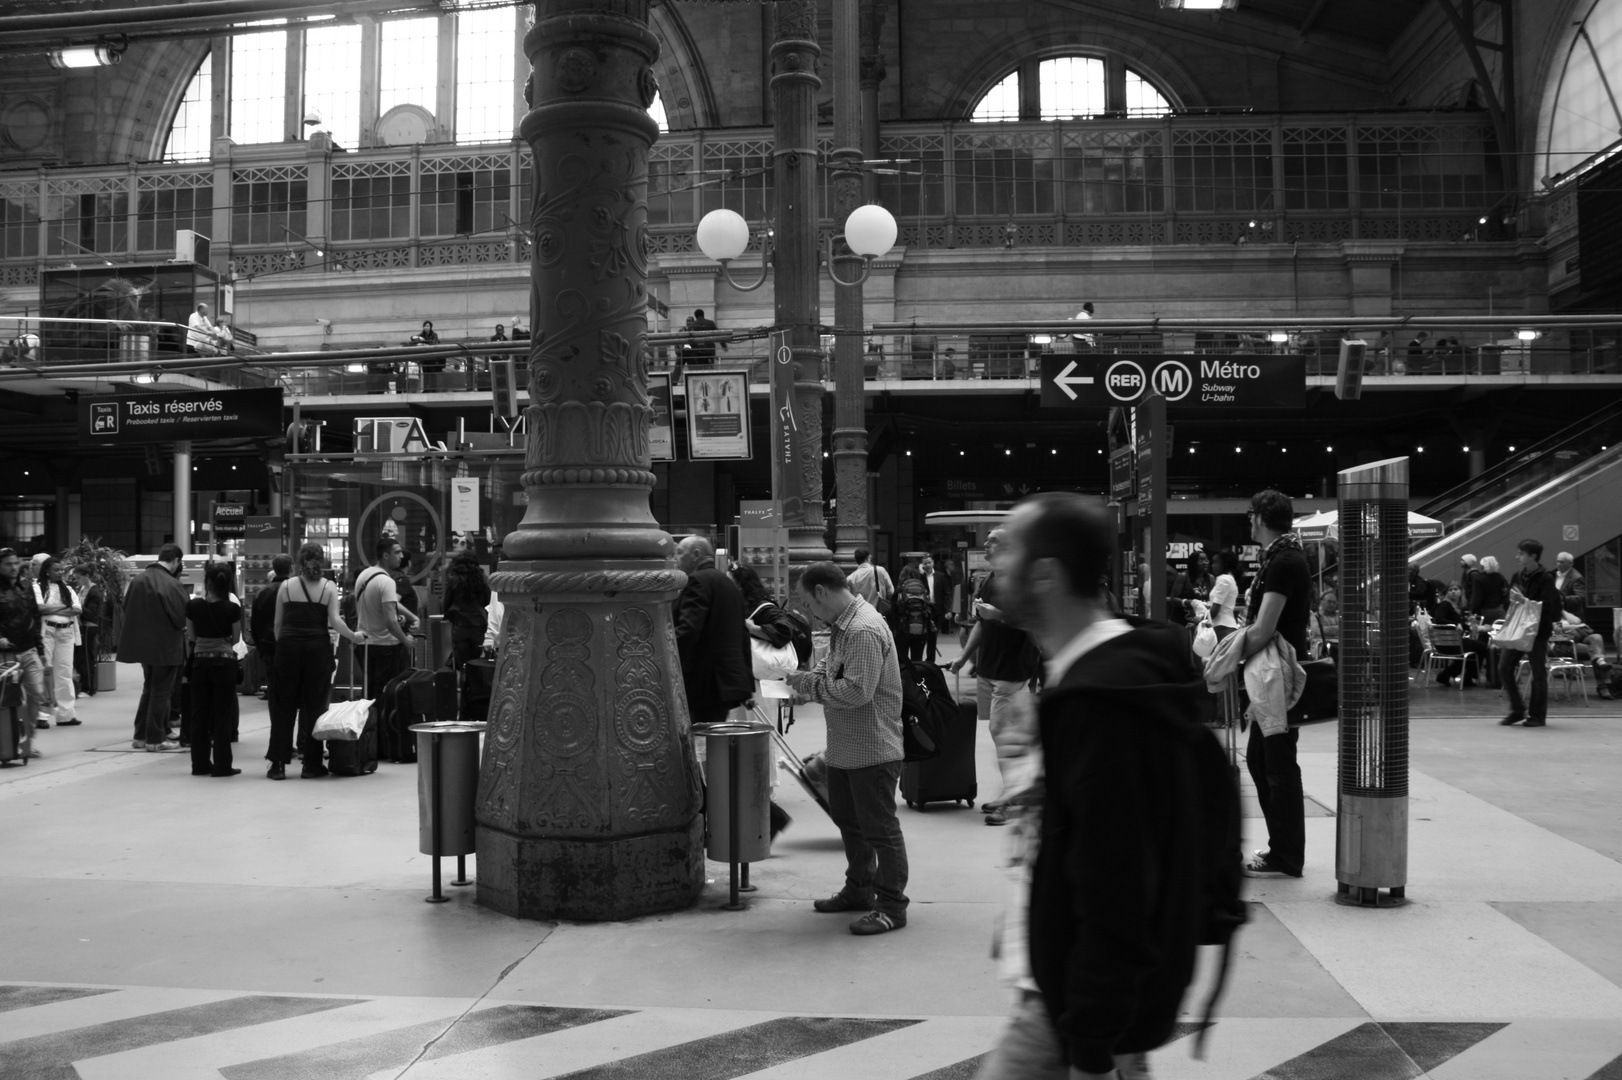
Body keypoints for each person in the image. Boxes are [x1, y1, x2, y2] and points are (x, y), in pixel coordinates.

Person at [975, 493, 1206, 1080]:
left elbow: (1119, 885)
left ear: (1046, 575)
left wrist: (1092, 1049)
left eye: (1009, 550)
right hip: (1065, 991)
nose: (994, 561)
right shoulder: (1076, 676)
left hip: (1069, 1014)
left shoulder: (1104, 699)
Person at [785, 561, 909, 936]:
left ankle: (891, 906)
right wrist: (808, 681)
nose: (809, 611)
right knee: (849, 822)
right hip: (845, 749)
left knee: (879, 829)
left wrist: (809, 688)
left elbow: (856, 691)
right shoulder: (842, 627)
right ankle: (859, 889)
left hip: (872, 751)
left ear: (822, 592)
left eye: (808, 603)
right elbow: (827, 669)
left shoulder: (863, 629)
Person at [1238, 490, 1311, 879]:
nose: (1248, 522)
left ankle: (1286, 854)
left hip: (1276, 675)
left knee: (1277, 763)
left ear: (1262, 517)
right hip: (1271, 674)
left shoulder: (1284, 561)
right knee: (1263, 759)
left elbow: (1265, 627)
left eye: (1251, 515)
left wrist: (1228, 654)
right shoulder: (1284, 557)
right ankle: (1283, 849)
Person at [949, 527, 1041, 827]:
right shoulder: (991, 578)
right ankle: (1014, 796)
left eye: (993, 541)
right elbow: (981, 623)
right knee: (1002, 735)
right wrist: (963, 658)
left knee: (1005, 736)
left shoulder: (1022, 580)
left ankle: (1013, 800)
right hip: (990, 669)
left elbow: (1034, 621)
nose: (986, 544)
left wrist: (998, 614)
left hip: (1012, 670)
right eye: (986, 540)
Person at [268, 542, 368, 780]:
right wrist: (354, 636)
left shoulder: (286, 586)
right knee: (315, 706)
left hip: (288, 648)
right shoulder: (328, 587)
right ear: (321, 561)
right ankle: (311, 765)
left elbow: (277, 625)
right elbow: (335, 621)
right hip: (317, 649)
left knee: (283, 706)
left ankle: (278, 765)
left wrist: (283, 647)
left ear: (299, 562)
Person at [730, 563, 798, 840]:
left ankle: (766, 792)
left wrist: (749, 626)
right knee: (750, 734)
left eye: (731, 581)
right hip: (755, 682)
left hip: (766, 684)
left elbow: (784, 632)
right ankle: (759, 790)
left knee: (764, 735)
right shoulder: (744, 605)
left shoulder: (762, 607)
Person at [673, 536, 753, 726]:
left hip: (704, 681)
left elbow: (689, 630)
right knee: (712, 737)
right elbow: (743, 636)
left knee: (697, 737)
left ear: (696, 554)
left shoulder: (697, 581)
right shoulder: (729, 585)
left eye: (680, 553)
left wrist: (666, 655)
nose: (676, 559)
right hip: (727, 681)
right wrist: (746, 683)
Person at [118, 545, 188, 752]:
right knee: (161, 692)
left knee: (148, 689)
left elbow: (125, 607)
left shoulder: (138, 580)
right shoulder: (172, 584)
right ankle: (155, 739)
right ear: (175, 561)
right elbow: (182, 617)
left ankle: (140, 736)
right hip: (165, 646)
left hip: (142, 646)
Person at [186, 562, 242, 777]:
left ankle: (199, 764)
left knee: (199, 714)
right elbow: (235, 638)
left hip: (200, 664)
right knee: (222, 715)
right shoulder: (232, 608)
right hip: (224, 664)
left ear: (206, 581)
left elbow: (191, 637)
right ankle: (222, 765)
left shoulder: (193, 607)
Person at [1500, 538, 1560, 728]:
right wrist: (1511, 600)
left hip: (1537, 632)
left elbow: (1548, 607)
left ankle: (1537, 716)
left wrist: (1523, 600)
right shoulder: (1518, 575)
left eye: (1521, 553)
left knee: (1538, 673)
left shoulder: (1546, 578)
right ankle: (1518, 709)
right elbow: (1507, 602)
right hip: (1518, 630)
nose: (1517, 556)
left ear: (1532, 556)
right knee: (1504, 667)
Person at [354, 537, 420, 698]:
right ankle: (383, 723)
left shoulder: (364, 575)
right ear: (385, 556)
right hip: (386, 646)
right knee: (387, 693)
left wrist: (411, 617)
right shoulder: (387, 581)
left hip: (365, 644)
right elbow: (391, 621)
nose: (401, 556)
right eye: (397, 552)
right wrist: (406, 640)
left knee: (369, 693)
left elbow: (389, 604)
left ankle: (370, 722)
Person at [0, 548, 47, 760]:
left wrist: (40, 649)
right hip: (5, 655)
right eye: (8, 564)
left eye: (15, 563)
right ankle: (8, 742)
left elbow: (35, 620)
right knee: (5, 699)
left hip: (28, 650)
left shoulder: (27, 588)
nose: (13, 567)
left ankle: (27, 738)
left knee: (36, 693)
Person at [31, 556, 82, 729]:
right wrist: (63, 607)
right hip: (47, 633)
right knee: (43, 672)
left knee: (64, 673)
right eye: (56, 570)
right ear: (47, 571)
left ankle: (66, 714)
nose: (60, 573)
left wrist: (55, 608)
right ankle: (41, 715)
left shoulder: (68, 589)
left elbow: (77, 609)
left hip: (66, 633)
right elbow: (40, 608)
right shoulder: (37, 587)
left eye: (61, 570)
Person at [246, 554, 292, 699]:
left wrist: (260, 647)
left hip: (268, 645)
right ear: (291, 569)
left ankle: (276, 715)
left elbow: (255, 623)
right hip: (290, 643)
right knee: (291, 682)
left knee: (273, 682)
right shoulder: (295, 591)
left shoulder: (262, 593)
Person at [442, 551, 491, 670]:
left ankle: (465, 684)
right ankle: (476, 685)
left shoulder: (454, 580)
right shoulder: (482, 579)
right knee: (478, 662)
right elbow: (487, 601)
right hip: (479, 624)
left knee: (463, 661)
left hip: (460, 624)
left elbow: (447, 602)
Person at [69, 564, 102, 697]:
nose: (77, 581)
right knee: (81, 657)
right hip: (82, 626)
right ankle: (84, 686)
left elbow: (92, 614)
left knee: (87, 657)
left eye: (79, 578)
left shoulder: (95, 591)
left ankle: (89, 688)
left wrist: (78, 606)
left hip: (89, 626)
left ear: (87, 576)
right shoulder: (83, 589)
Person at [845, 547, 894, 617]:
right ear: (869, 558)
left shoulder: (850, 578)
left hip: (861, 616)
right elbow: (891, 592)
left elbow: (849, 601)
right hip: (879, 613)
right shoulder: (880, 571)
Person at [1208, 549, 1241, 639]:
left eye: (1216, 562)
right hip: (1226, 627)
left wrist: (1200, 619)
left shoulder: (1223, 579)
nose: (1212, 566)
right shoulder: (1229, 578)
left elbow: (1214, 611)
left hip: (1222, 628)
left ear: (1225, 563)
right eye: (1212, 563)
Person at [1554, 551, 1585, 620]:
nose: (1558, 564)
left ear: (1570, 564)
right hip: (1557, 614)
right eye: (1557, 561)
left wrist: (1563, 599)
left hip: (1571, 616)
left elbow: (1581, 597)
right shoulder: (1555, 575)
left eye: (1562, 562)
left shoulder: (1576, 578)